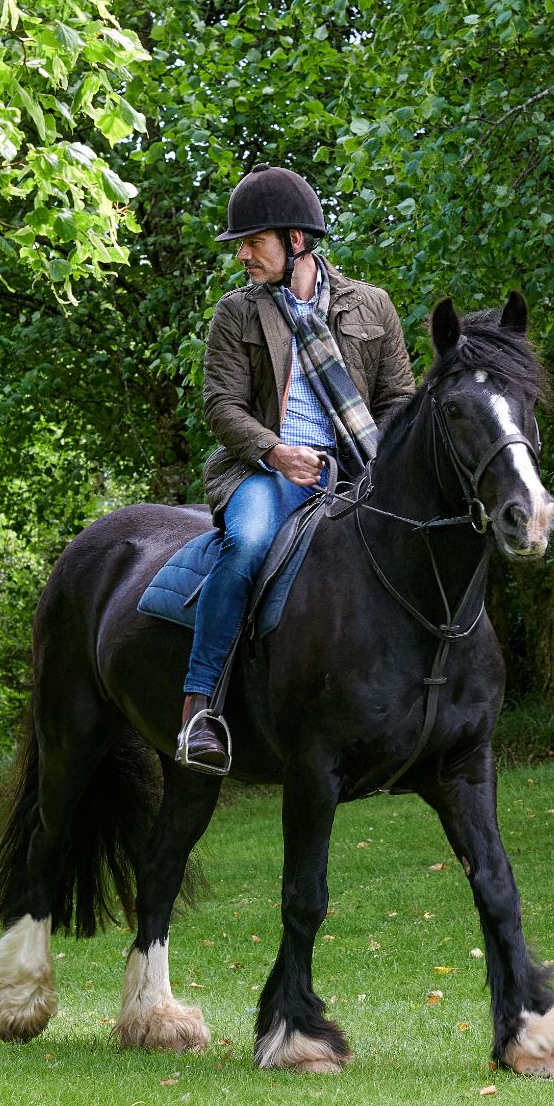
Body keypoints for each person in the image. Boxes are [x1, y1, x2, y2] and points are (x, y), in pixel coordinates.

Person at [179, 166, 416, 773]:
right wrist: (276, 451)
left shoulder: (374, 306)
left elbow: (398, 402)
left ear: (296, 239)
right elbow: (220, 407)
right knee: (247, 544)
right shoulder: (236, 315)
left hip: (359, 472)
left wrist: (378, 463)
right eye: (240, 245)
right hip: (264, 474)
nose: (243, 257)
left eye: (253, 242)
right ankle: (200, 710)